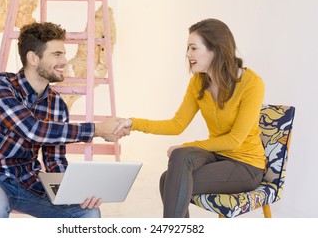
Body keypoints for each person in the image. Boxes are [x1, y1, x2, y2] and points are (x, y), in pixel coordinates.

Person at [0, 22, 127, 218]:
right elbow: (32, 130)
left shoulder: (56, 104)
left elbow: (54, 160)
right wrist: (97, 129)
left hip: (29, 184)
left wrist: (75, 191)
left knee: (89, 212)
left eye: (64, 54)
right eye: (57, 54)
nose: (65, 61)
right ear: (33, 58)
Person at [114, 18, 265, 218]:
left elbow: (234, 140)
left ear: (215, 49)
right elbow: (177, 125)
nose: (187, 54)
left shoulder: (252, 84)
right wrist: (133, 123)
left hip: (246, 165)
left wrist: (188, 145)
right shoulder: (199, 82)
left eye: (193, 48)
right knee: (178, 160)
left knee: (168, 180)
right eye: (187, 48)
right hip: (217, 156)